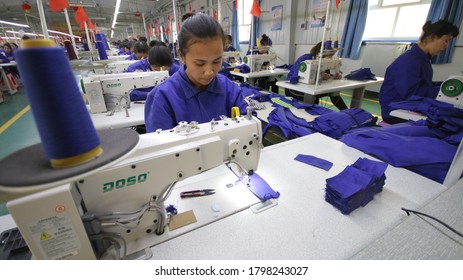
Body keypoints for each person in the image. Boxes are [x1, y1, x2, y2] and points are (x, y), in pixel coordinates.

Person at [144, 12, 252, 132]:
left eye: (217, 61)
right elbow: (160, 148)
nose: (209, 72)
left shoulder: (230, 90)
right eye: (200, 64)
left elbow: (250, 128)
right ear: (182, 56)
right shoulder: (161, 99)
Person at [379, 19, 459, 124]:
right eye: (446, 41)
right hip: (395, 112)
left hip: (407, 105)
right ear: (432, 37)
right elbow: (412, 94)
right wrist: (442, 91)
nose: (446, 46)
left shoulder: (422, 59)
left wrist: (444, 86)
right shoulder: (409, 61)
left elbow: (424, 85)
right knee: (448, 122)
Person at [285, 42, 348, 111]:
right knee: (313, 99)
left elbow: (327, 72)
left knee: (334, 93)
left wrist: (334, 75)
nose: (328, 61)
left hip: (311, 89)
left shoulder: (323, 62)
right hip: (294, 90)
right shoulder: (305, 59)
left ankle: (348, 113)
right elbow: (296, 78)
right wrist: (320, 77)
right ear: (318, 55)